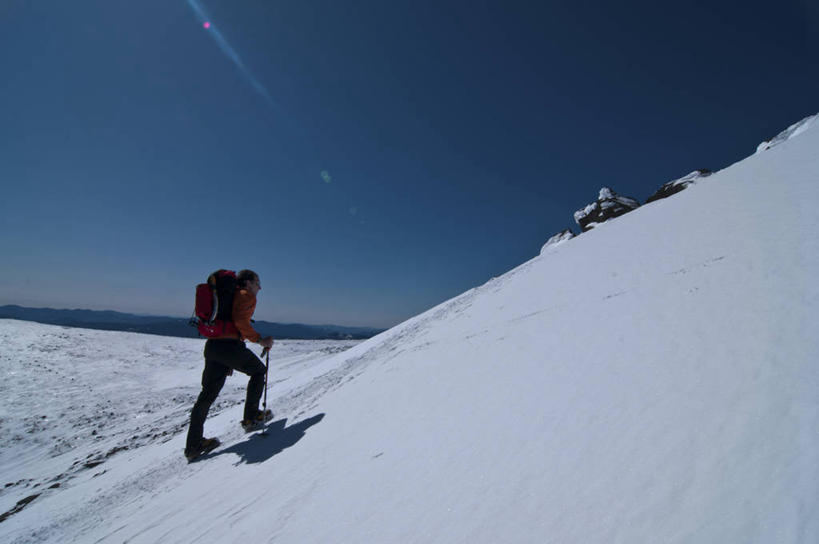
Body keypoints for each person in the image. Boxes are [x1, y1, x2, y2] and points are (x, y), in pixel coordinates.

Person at [184, 269, 275, 461]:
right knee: (259, 371)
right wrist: (260, 340)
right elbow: (241, 322)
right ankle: (251, 417)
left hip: (213, 347)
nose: (260, 287)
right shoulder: (245, 296)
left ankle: (193, 445)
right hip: (229, 346)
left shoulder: (231, 295)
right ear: (248, 283)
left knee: (206, 396)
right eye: (257, 282)